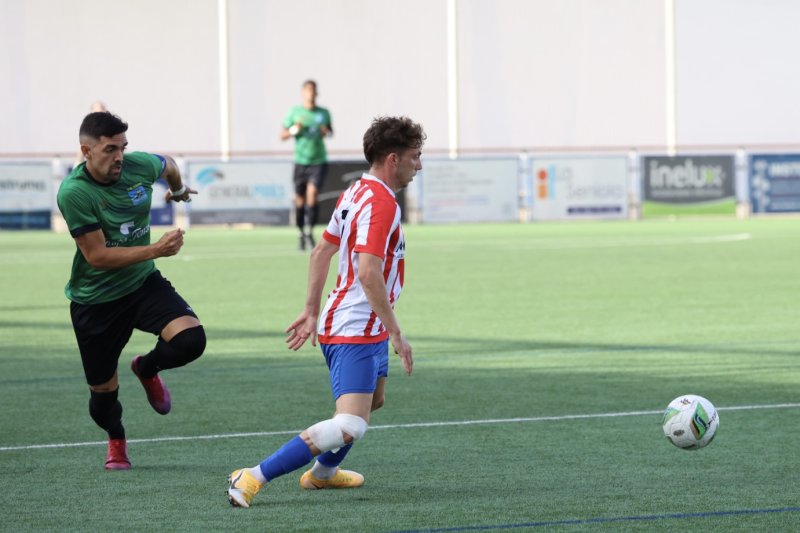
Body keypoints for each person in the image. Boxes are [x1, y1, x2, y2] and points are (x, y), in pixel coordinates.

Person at [227, 116, 426, 508]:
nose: (418, 165)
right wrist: (397, 332)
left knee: (373, 402)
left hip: (362, 324)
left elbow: (322, 251)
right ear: (392, 159)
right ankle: (251, 476)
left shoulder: (356, 191)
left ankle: (321, 475)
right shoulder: (382, 202)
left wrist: (310, 310)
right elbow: (368, 273)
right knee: (350, 423)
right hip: (355, 324)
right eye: (415, 157)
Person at [56, 111, 206, 470]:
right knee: (103, 399)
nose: (119, 156)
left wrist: (180, 189)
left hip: (140, 283)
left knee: (191, 341)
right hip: (95, 301)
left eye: (123, 147)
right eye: (110, 149)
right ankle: (117, 439)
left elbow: (168, 164)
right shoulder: (75, 192)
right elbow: (97, 256)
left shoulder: (138, 166)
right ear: (86, 151)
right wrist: (156, 249)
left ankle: (147, 367)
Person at [280, 79, 333, 251]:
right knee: (299, 199)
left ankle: (310, 231)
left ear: (316, 93)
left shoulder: (324, 113)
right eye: (308, 90)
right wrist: (295, 129)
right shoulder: (295, 112)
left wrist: (326, 131)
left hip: (318, 160)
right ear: (303, 93)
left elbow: (330, 131)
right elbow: (283, 135)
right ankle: (301, 232)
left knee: (313, 193)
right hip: (300, 161)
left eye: (313, 90)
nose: (311, 93)